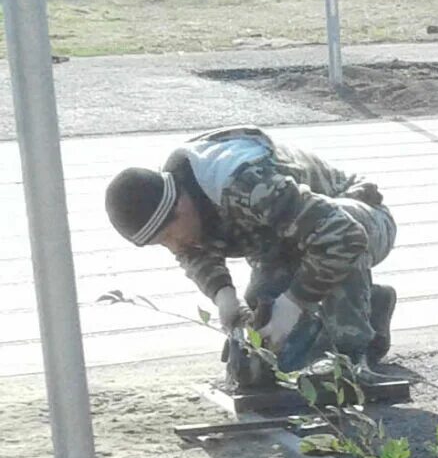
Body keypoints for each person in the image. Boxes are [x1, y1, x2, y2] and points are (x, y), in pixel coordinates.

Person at [103, 126, 398, 373]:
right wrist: (223, 295)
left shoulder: (246, 183)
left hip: (362, 220)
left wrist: (296, 300)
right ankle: (371, 303)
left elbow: (344, 236)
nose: (174, 247)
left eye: (168, 235)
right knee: (269, 334)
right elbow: (193, 251)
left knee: (328, 249)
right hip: (287, 243)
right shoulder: (175, 199)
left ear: (179, 206)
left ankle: (350, 356)